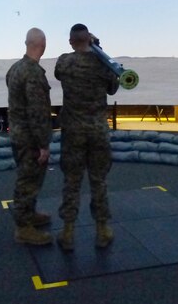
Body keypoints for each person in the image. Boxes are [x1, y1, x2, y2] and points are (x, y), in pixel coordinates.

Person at [54, 24, 119, 250]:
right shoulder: (103, 65)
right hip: (98, 131)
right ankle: (102, 230)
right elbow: (113, 88)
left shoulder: (64, 62)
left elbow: (58, 73)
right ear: (89, 39)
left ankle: (68, 233)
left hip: (73, 131)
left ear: (71, 41)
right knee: (99, 181)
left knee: (71, 181)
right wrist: (98, 48)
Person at [6, 28, 53, 245]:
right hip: (30, 139)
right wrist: (43, 145)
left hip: (18, 134)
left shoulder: (15, 68)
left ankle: (30, 215)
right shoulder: (33, 73)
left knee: (27, 178)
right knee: (28, 181)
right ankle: (24, 228)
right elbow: (37, 112)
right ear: (42, 45)